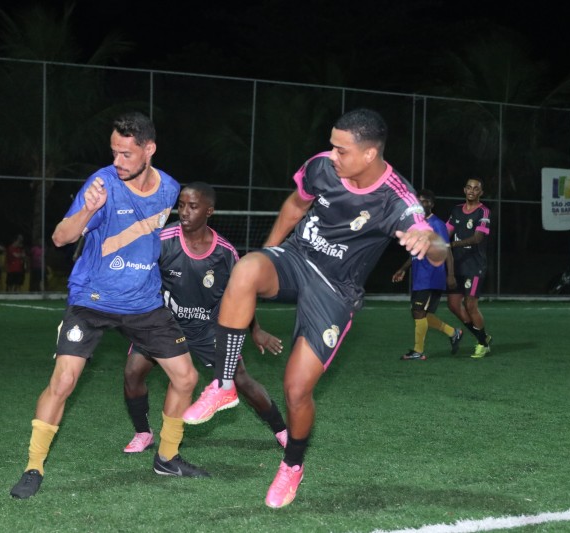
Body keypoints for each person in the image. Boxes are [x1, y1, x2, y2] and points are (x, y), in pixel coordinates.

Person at [182, 108, 448, 508]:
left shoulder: (397, 198)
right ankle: (223, 385)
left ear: (370, 154)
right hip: (296, 258)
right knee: (247, 269)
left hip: (335, 290)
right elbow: (294, 207)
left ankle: (292, 466)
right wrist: (268, 252)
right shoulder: (321, 168)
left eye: (342, 150)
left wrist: (429, 240)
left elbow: (435, 247)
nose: (332, 154)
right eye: (332, 145)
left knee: (296, 388)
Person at [10, 111, 208, 501]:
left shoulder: (169, 189)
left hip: (143, 301)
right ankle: (33, 467)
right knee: (63, 381)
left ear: (149, 150)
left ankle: (167, 458)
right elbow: (61, 237)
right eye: (114, 152)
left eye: (127, 155)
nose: (118, 161)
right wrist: (87, 208)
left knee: (186, 379)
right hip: (92, 299)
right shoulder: (101, 183)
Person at [122, 182, 288, 454]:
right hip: (165, 326)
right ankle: (143, 433)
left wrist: (256, 329)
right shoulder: (163, 241)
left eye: (193, 206)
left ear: (209, 211)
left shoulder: (225, 253)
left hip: (207, 329)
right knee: (132, 372)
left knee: (241, 381)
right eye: (182, 205)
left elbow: (241, 295)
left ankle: (282, 430)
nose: (185, 212)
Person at [392, 189, 463, 360]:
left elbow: (447, 252)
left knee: (418, 311)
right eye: (418, 201)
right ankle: (454, 333)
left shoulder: (437, 224)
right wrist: (403, 269)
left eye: (424, 201)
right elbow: (416, 252)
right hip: (419, 276)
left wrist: (451, 275)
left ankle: (418, 351)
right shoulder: (417, 225)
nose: (420, 204)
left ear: (431, 204)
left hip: (432, 275)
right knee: (422, 314)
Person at [445, 178, 492, 358]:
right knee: (453, 305)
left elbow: (478, 238)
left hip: (475, 265)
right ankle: (483, 337)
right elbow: (445, 230)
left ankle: (482, 344)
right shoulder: (457, 209)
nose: (472, 191)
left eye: (476, 188)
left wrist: (454, 244)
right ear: (464, 190)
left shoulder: (484, 212)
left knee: (470, 304)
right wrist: (432, 236)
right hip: (456, 265)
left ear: (480, 192)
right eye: (469, 187)